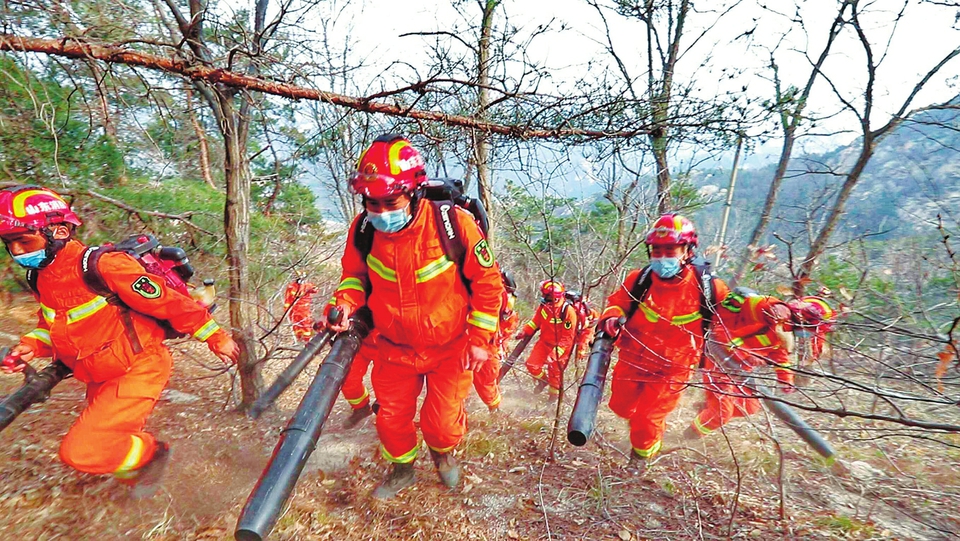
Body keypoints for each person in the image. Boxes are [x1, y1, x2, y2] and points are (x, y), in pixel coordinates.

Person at [0, 185, 239, 497]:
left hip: (138, 367)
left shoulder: (104, 266)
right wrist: (30, 346)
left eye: (24, 240)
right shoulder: (40, 277)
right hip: (98, 373)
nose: (18, 251)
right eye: (10, 244)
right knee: (115, 437)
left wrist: (215, 337)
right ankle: (139, 484)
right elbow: (53, 325)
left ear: (59, 231)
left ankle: (153, 454)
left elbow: (169, 303)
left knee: (81, 451)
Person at [325, 134, 502, 499]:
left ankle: (442, 456)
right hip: (394, 348)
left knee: (441, 424)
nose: (380, 212)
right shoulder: (363, 230)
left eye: (390, 202)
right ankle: (402, 470)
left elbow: (488, 282)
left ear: (414, 192)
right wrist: (344, 304)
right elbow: (354, 277)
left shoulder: (453, 224)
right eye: (372, 202)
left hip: (450, 349)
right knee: (390, 420)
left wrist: (480, 339)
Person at [597, 213, 729, 471]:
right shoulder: (639, 279)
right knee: (620, 407)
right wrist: (611, 317)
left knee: (647, 418)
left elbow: (737, 314)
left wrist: (774, 310)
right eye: (656, 251)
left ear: (688, 251)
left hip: (672, 369)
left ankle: (640, 457)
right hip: (632, 359)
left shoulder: (710, 288)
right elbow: (618, 304)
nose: (661, 257)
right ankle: (640, 429)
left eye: (670, 250)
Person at [684, 287, 795, 439]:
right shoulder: (755, 319)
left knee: (749, 406)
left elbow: (780, 355)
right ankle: (689, 436)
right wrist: (746, 355)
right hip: (719, 364)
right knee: (721, 413)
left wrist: (786, 379)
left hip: (741, 370)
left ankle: (709, 407)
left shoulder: (781, 331)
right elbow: (720, 334)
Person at [517, 280, 578, 397]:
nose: (543, 297)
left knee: (555, 376)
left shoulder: (568, 312)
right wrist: (525, 331)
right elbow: (535, 322)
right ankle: (543, 381)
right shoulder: (544, 306)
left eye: (546, 296)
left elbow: (567, 338)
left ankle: (552, 399)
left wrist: (555, 354)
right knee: (531, 365)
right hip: (544, 343)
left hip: (560, 349)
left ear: (555, 298)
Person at [472, 268, 519, 413]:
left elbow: (505, 325)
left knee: (486, 378)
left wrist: (501, 344)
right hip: (481, 339)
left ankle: (495, 409)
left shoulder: (500, 297)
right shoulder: (493, 290)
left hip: (488, 342)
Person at [283, 274, 318, 343]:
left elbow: (315, 289)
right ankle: (299, 340)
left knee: (305, 325)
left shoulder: (307, 285)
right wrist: (287, 310)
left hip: (304, 310)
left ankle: (307, 340)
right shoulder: (291, 287)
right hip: (294, 310)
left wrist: (310, 288)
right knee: (296, 326)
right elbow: (287, 299)